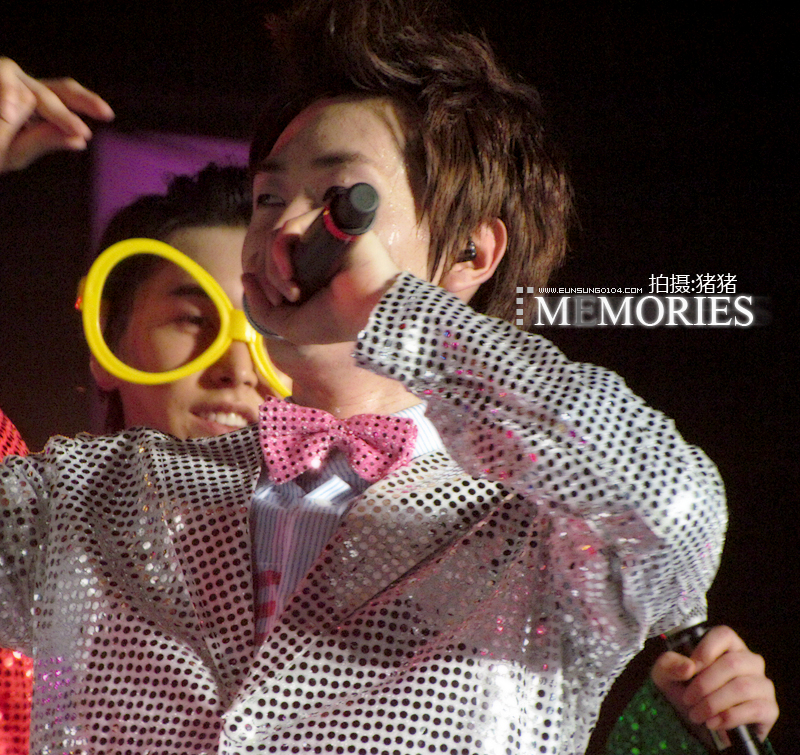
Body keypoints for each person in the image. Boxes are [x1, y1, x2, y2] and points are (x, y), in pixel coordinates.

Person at [0, 6, 775, 750]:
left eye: (340, 198)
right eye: (270, 196)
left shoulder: (541, 536)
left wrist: (396, 317)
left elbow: (675, 507)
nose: (286, 228)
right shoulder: (97, 493)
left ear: (470, 252)